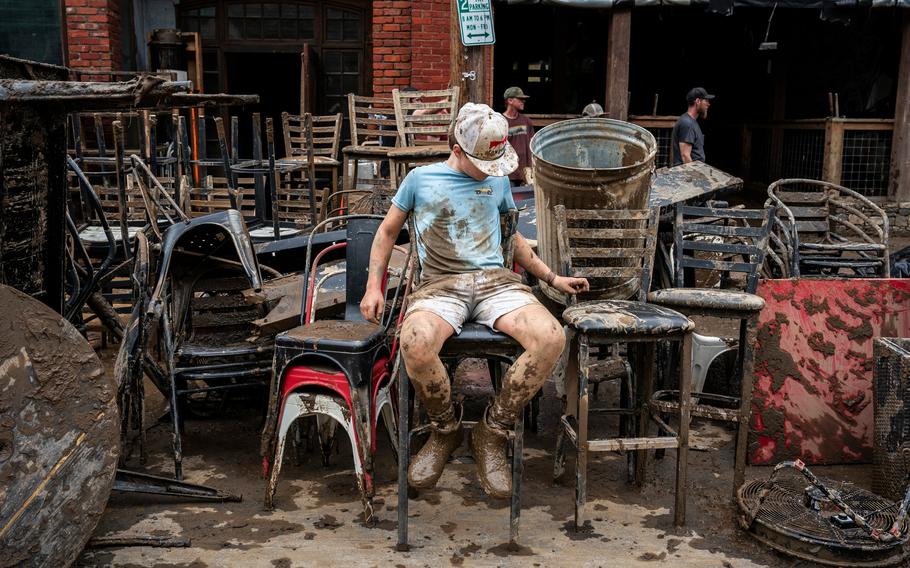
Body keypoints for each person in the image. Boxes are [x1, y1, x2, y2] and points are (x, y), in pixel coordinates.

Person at [360, 103, 589, 498]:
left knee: (551, 336)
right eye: (483, 162)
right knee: (414, 344)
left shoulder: (497, 182)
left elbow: (513, 238)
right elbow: (385, 234)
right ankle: (445, 430)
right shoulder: (420, 179)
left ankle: (492, 431)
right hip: (439, 286)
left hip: (494, 284)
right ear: (457, 148)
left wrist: (552, 277)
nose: (492, 171)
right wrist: (373, 286)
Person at [670, 87, 714, 166]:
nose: (708, 104)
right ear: (698, 101)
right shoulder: (687, 123)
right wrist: (695, 177)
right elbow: (685, 156)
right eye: (706, 101)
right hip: (688, 175)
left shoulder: (691, 122)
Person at [502, 87, 534, 187]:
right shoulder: (500, 121)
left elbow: (532, 146)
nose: (523, 101)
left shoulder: (526, 121)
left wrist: (532, 169)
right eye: (520, 99)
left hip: (526, 174)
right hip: (508, 173)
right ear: (510, 100)